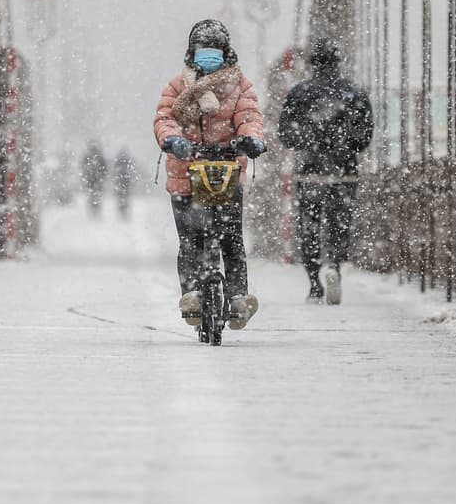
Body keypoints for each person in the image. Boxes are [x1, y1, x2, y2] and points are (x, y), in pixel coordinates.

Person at [154, 19, 267, 329]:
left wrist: (251, 138)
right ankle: (190, 294)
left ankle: (237, 298)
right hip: (185, 174)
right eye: (204, 51)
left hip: (225, 172)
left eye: (214, 52)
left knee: (230, 239)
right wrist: (172, 139)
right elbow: (165, 118)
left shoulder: (240, 86)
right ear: (193, 53)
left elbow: (249, 117)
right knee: (190, 239)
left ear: (225, 53)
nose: (209, 57)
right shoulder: (178, 87)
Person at [278, 37, 374, 304]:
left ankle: (314, 282)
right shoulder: (354, 92)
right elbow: (365, 136)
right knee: (338, 223)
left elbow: (285, 134)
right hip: (344, 171)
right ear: (337, 61)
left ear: (312, 64)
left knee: (309, 226)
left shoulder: (299, 93)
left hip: (308, 172)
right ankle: (335, 265)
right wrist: (344, 146)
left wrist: (308, 143)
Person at [81, 143, 108, 217]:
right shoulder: (100, 157)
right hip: (97, 180)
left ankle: (93, 209)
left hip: (91, 180)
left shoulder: (88, 157)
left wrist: (85, 177)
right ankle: (96, 209)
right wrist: (102, 177)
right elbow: (105, 169)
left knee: (92, 195)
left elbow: (83, 168)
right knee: (96, 195)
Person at [112, 148, 136, 219]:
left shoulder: (119, 162)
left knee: (121, 198)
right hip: (125, 183)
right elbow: (132, 171)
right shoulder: (128, 161)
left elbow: (115, 172)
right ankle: (124, 211)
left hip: (121, 183)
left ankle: (122, 211)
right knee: (125, 198)